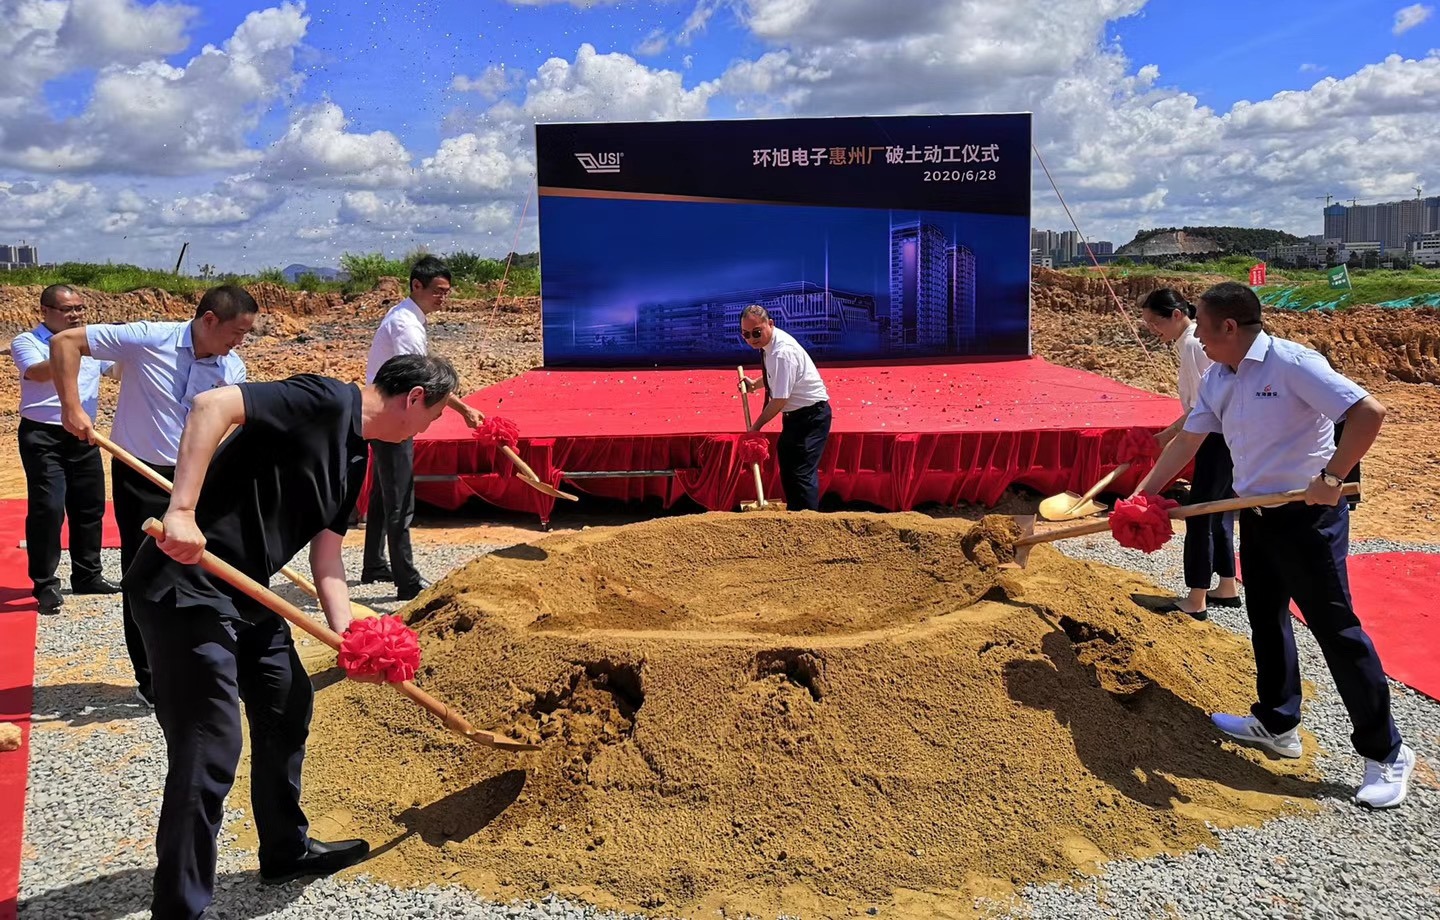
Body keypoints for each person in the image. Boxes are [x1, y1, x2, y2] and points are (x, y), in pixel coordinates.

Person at [128, 353, 461, 920]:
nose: (426, 430)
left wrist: (350, 634)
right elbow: (212, 405)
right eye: (431, 418)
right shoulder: (324, 398)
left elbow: (327, 559)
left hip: (246, 592)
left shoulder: (357, 457)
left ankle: (285, 849)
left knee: (286, 704)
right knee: (210, 745)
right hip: (185, 585)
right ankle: (179, 909)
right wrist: (182, 510)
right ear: (414, 400)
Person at [1134, 281, 1413, 809]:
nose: (1199, 340)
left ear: (1230, 328)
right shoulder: (1220, 375)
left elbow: (1368, 413)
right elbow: (1191, 439)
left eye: (1206, 330)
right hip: (1256, 512)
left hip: (1308, 516)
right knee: (1265, 615)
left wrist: (1332, 476)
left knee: (1336, 631)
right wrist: (1142, 497)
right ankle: (1277, 721)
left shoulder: (1292, 363)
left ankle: (1386, 752)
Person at [49, 285, 255, 706]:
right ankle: (151, 678)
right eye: (237, 331)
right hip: (140, 473)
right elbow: (65, 342)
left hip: (195, 479)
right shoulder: (149, 337)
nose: (240, 342)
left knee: (200, 568)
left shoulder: (232, 368)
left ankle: (201, 663)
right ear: (210, 319)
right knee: (144, 574)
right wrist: (72, 407)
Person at [361, 255, 482, 600]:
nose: (443, 298)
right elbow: (422, 381)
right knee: (400, 498)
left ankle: (373, 564)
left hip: (387, 414)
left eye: (447, 292)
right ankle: (407, 579)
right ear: (417, 286)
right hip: (394, 418)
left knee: (385, 492)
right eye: (438, 291)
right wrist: (464, 410)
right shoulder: (407, 326)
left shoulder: (408, 316)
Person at [9, 285, 122, 614]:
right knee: (48, 507)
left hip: (83, 434)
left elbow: (115, 371)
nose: (76, 316)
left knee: (90, 506)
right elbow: (38, 372)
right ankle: (44, 583)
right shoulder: (27, 342)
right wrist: (70, 351)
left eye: (80, 309)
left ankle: (88, 574)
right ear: (45, 311)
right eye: (67, 310)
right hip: (43, 436)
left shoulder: (89, 345)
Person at [1140, 288, 1239, 619]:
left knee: (1198, 513)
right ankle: (1226, 586)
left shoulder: (1196, 345)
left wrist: (1169, 436)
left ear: (1177, 315)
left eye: (1155, 323)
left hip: (1215, 435)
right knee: (1220, 510)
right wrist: (1167, 435)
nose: (1154, 331)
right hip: (1225, 433)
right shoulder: (1192, 343)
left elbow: (1202, 406)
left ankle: (1195, 599)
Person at [738, 304, 831, 512]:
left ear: (770, 324)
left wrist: (756, 427)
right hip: (795, 417)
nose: (752, 339)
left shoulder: (782, 352)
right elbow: (777, 376)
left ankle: (808, 522)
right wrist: (755, 384)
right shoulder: (770, 345)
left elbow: (779, 399)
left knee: (801, 472)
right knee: (788, 465)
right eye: (746, 334)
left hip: (811, 416)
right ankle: (796, 514)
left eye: (756, 332)